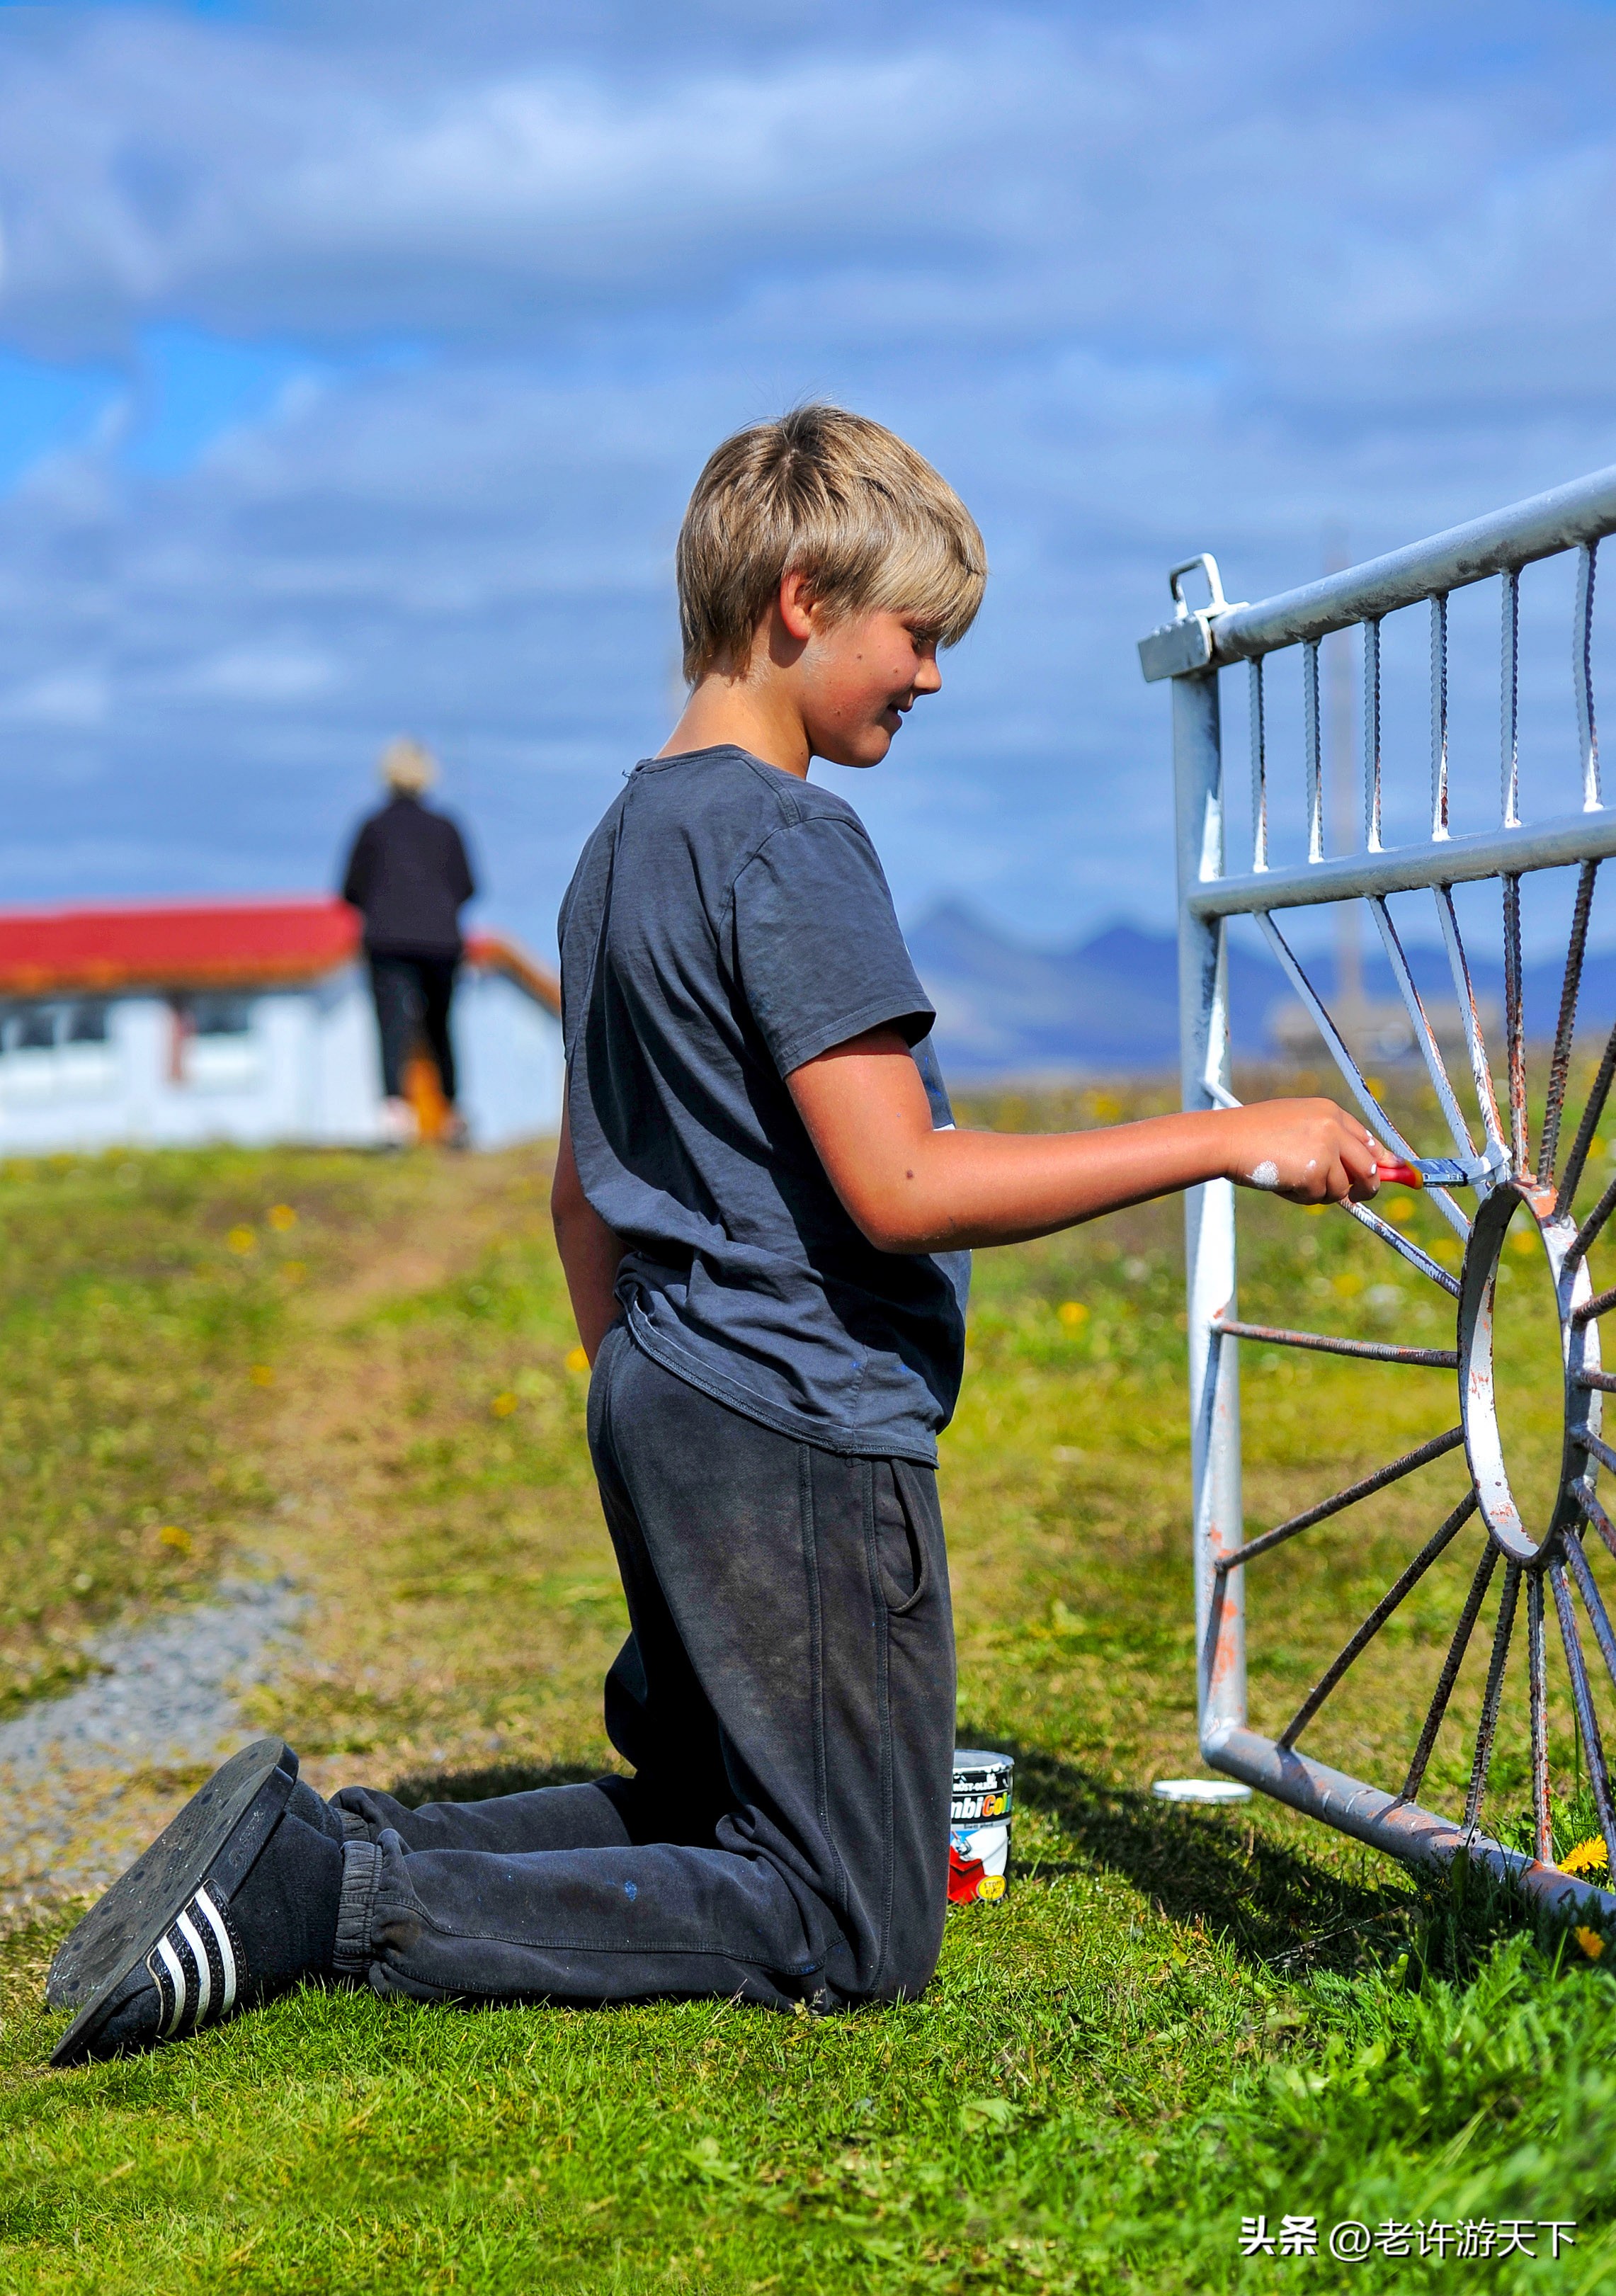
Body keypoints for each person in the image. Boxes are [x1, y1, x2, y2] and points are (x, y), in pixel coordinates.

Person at [45, 407, 1386, 2065]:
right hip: (797, 1421)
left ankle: (320, 1846)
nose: (935, 679)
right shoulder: (791, 840)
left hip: (676, 1390)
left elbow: (575, 1184)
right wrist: (1228, 1138)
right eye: (920, 635)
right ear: (805, 599)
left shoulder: (621, 845)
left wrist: (648, 1386)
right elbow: (902, 1187)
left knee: (701, 1797)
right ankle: (336, 1892)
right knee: (851, 1919)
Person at [341, 737, 476, 1148]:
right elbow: (468, 886)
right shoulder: (446, 828)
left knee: (391, 1027)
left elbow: (350, 889)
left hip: (386, 942)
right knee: (441, 1026)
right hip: (441, 943)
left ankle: (393, 1121)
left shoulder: (372, 827)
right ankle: (453, 1117)